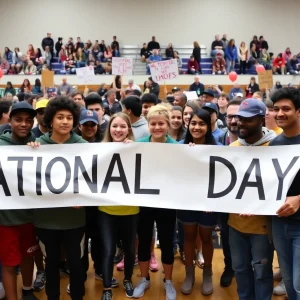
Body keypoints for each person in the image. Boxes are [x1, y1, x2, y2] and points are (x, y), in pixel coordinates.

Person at [28, 97, 86, 300]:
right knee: (50, 264)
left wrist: (85, 198)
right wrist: (29, 152)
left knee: (76, 265)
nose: (65, 121)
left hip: (75, 220)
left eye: (69, 117)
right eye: (60, 117)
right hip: (46, 220)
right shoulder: (36, 146)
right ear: (50, 120)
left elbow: (94, 182)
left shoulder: (84, 146)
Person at [229, 99, 275, 300]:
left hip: (262, 227)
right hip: (235, 224)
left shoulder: (275, 147)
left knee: (262, 273)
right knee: (240, 270)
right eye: (239, 118)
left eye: (247, 119)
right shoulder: (233, 147)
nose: (240, 123)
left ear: (261, 120)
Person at [133, 104, 177, 300]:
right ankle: (144, 279)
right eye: (153, 124)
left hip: (167, 203)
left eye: (161, 123)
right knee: (143, 241)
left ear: (168, 125)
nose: (157, 127)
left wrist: (193, 151)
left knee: (167, 242)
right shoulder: (138, 143)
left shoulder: (178, 148)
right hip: (144, 202)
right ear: (148, 125)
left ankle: (168, 281)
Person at [0, 101, 40, 300]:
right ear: (10, 121)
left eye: (28, 120)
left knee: (28, 256)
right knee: (8, 263)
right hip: (6, 218)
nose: (24, 124)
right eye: (18, 120)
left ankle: (27, 289)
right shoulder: (1, 144)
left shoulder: (36, 142)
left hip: (30, 216)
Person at [178, 109, 218, 296]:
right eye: (193, 123)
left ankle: (208, 272)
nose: (196, 127)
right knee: (188, 237)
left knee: (206, 236)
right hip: (186, 200)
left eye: (202, 124)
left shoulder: (216, 148)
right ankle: (189, 273)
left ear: (208, 127)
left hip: (207, 202)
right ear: (188, 125)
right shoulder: (180, 147)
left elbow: (221, 177)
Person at [99, 113, 138, 300]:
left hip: (130, 211)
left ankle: (128, 279)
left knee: (130, 249)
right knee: (108, 250)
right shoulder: (99, 150)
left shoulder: (138, 150)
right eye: (115, 126)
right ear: (109, 129)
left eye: (123, 126)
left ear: (128, 129)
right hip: (106, 211)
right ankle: (107, 288)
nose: (118, 130)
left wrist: (134, 151)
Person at [269, 87, 300, 300]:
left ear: (298, 111)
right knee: (289, 282)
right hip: (279, 223)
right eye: (276, 109)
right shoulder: (275, 144)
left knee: (298, 285)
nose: (280, 113)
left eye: (286, 109)